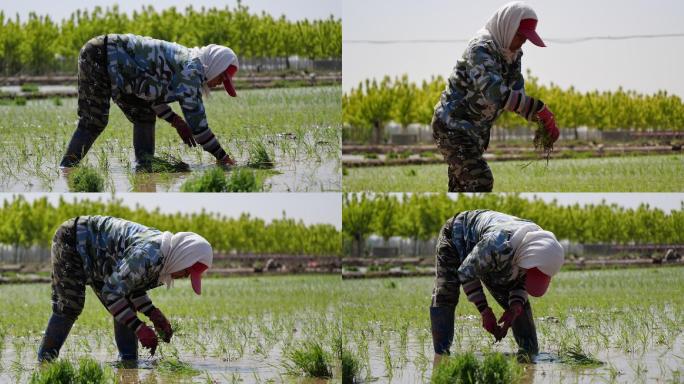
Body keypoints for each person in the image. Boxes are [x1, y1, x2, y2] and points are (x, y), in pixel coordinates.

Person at [37, 215, 213, 362]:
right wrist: (140, 328)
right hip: (73, 242)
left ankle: (128, 363)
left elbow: (130, 285)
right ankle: (45, 361)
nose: (184, 277)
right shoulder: (148, 255)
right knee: (69, 306)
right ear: (183, 257)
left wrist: (153, 313)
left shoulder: (165, 258)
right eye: (187, 271)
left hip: (102, 262)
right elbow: (111, 293)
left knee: (125, 305)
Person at [60, 33, 239, 170]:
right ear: (216, 64)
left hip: (113, 63)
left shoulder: (188, 64)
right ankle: (66, 169)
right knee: (93, 122)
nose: (218, 84)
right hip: (100, 55)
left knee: (144, 114)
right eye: (221, 78)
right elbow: (198, 125)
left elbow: (150, 96)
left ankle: (144, 165)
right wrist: (223, 157)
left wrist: (175, 121)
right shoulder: (191, 70)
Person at [432, 2, 559, 192]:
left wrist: (540, 120)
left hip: (476, 134)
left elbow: (517, 94)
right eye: (520, 35)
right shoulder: (480, 49)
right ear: (508, 26)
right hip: (452, 128)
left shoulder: (512, 54)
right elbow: (494, 93)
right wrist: (539, 108)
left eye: (526, 38)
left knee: (463, 187)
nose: (522, 42)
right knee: (480, 180)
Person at [430, 209, 564, 362]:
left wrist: (514, 308)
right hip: (456, 237)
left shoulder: (539, 243)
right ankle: (441, 354)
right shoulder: (496, 244)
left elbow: (521, 281)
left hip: (499, 255)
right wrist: (485, 311)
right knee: (446, 291)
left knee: (516, 303)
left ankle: (529, 351)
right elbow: (466, 273)